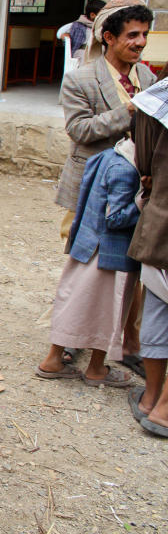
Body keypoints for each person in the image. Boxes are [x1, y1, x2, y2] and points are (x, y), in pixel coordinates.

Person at [36, 136, 140, 386]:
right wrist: (142, 200)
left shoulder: (107, 156)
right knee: (108, 312)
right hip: (109, 254)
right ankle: (96, 368)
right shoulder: (126, 169)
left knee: (74, 302)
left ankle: (53, 359)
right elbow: (115, 218)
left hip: (87, 244)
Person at [56, 0, 155, 236]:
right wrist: (130, 110)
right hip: (94, 187)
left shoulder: (147, 77)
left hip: (136, 188)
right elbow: (79, 130)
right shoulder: (80, 79)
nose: (141, 42)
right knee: (89, 265)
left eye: (144, 35)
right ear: (108, 37)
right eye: (132, 35)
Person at [127, 96, 168, 437]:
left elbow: (145, 168)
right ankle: (166, 409)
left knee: (157, 309)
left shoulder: (153, 104)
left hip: (159, 225)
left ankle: (150, 398)